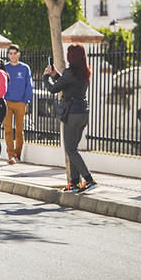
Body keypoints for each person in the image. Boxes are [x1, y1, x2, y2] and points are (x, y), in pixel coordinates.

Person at [43, 43, 97, 193]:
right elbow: (67, 84)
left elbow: (54, 89)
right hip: (83, 114)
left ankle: (89, 179)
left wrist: (46, 76)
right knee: (72, 148)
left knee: (70, 149)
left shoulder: (70, 72)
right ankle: (74, 183)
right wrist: (56, 75)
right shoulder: (84, 72)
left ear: (71, 57)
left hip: (72, 115)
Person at [2, 45, 33, 164]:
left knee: (19, 130)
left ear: (19, 54)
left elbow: (29, 84)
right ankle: (10, 155)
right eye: (10, 53)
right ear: (8, 55)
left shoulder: (25, 68)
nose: (13, 55)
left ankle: (18, 153)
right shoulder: (5, 67)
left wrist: (26, 100)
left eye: (15, 53)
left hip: (21, 103)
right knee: (8, 129)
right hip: (7, 102)